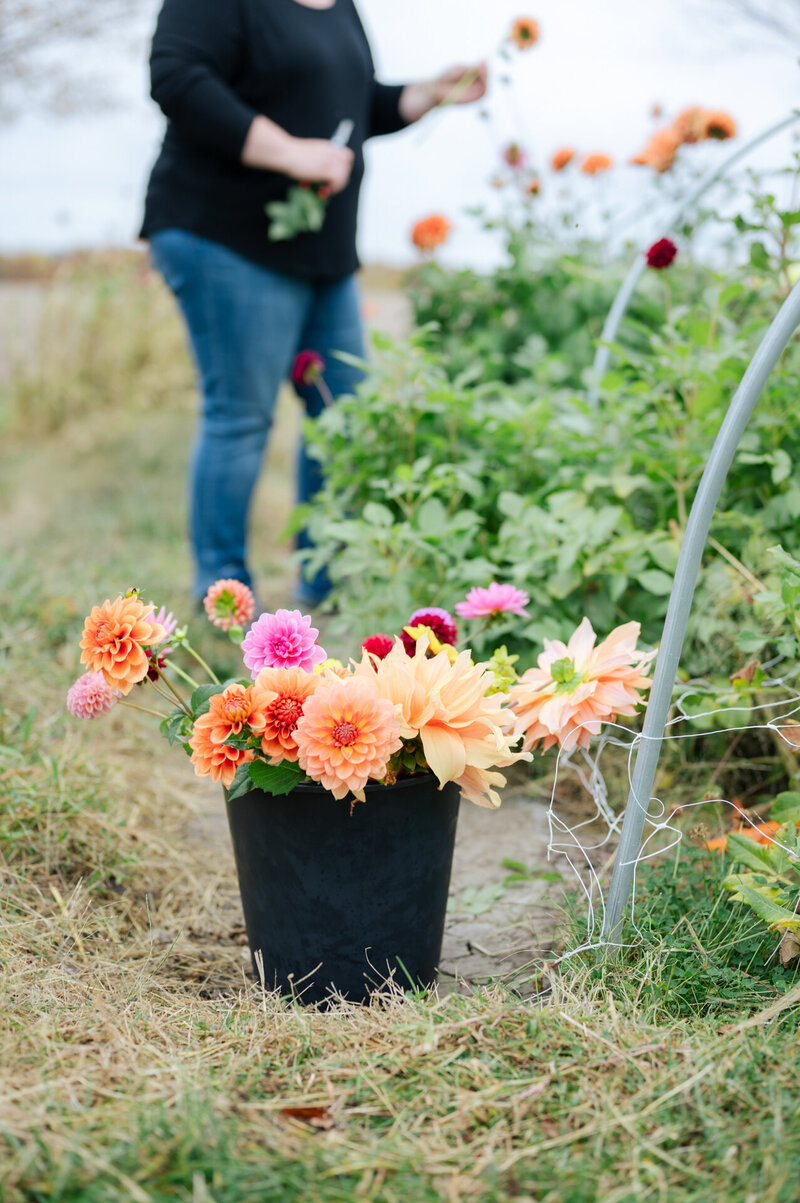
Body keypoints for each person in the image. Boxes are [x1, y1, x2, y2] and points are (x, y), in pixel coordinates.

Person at [140, 0, 487, 608]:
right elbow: (178, 79)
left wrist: (429, 91)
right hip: (222, 234)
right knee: (241, 416)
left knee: (343, 418)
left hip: (321, 252)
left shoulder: (340, 5)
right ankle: (223, 594)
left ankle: (322, 586)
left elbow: (356, 106)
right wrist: (291, 152)